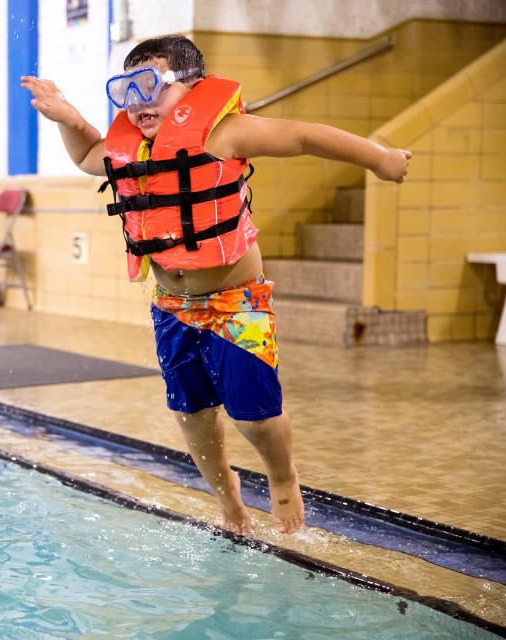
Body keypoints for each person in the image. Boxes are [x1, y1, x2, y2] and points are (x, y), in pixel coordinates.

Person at [22, 35, 410, 536]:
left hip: (235, 304)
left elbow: (304, 137)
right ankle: (229, 501)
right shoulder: (132, 148)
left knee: (254, 418)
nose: (137, 104)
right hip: (171, 306)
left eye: (149, 87)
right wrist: (70, 119)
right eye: (126, 91)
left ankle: (282, 476)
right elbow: (90, 156)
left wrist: (378, 159)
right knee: (192, 416)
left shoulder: (224, 134)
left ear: (192, 87)